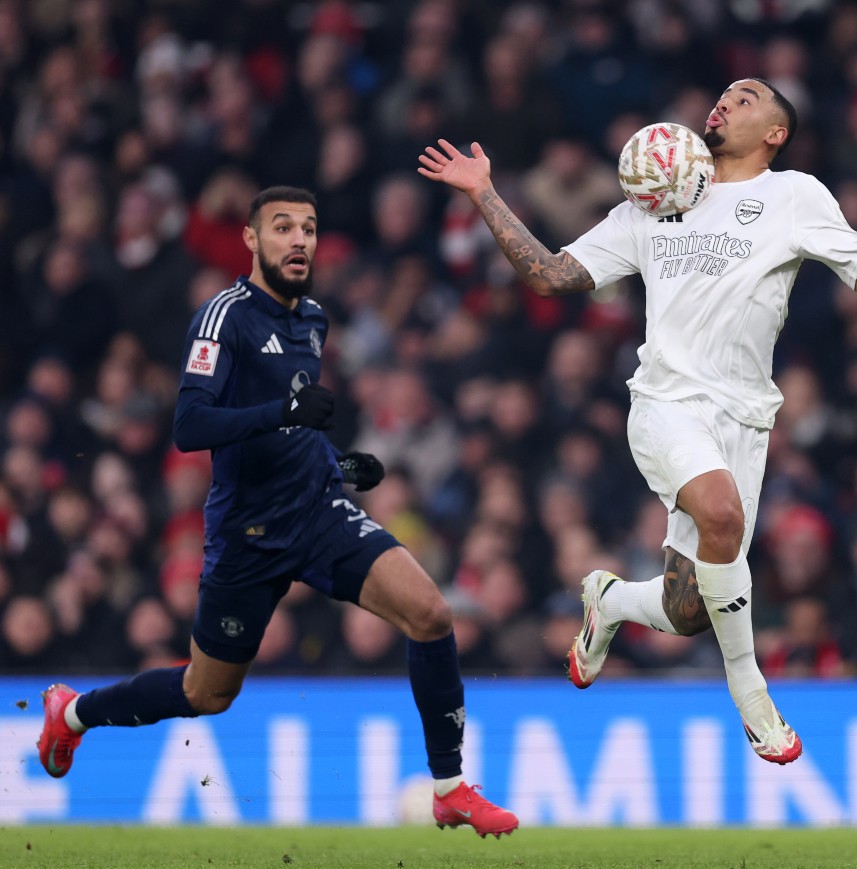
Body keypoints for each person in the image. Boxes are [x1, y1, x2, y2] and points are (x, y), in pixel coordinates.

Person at [420, 79, 857, 764]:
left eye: (746, 99)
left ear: (776, 132)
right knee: (721, 516)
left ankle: (611, 600)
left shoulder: (795, 196)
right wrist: (484, 192)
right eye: (723, 95)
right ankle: (752, 695)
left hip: (744, 420)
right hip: (664, 405)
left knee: (688, 610)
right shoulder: (653, 196)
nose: (725, 102)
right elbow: (550, 275)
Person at [36, 186, 518, 838]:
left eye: (310, 229)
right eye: (283, 227)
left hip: (316, 513)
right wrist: (284, 412)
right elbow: (190, 424)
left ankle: (449, 786)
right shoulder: (223, 315)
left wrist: (342, 468)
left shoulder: (313, 319)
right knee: (205, 693)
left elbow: (298, 434)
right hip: (247, 535)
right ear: (252, 240)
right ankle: (72, 714)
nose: (299, 240)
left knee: (430, 613)